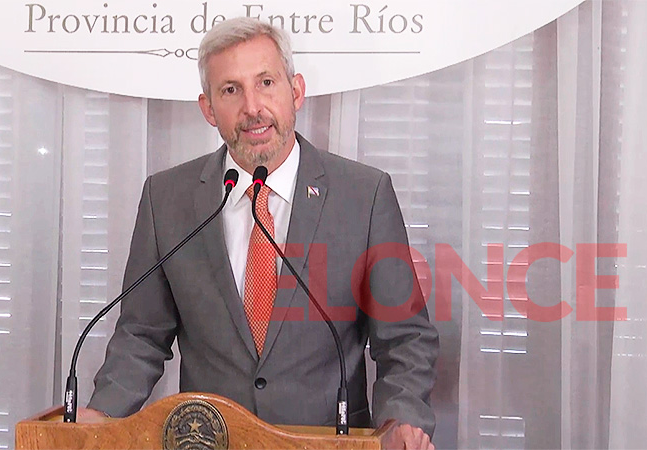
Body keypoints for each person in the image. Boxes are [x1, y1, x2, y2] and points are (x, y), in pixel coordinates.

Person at [81, 17, 438, 449]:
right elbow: (141, 334)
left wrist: (401, 420)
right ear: (208, 108)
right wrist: (101, 414)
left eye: (266, 82)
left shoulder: (364, 195)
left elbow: (404, 337)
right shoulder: (167, 199)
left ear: (296, 91)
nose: (252, 107)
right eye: (231, 90)